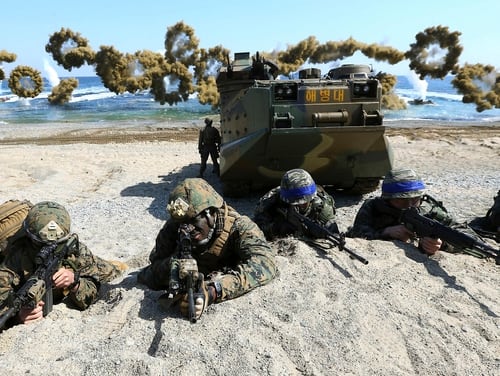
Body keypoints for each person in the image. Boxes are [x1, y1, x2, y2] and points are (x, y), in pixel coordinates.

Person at [137, 178, 277, 321]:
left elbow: (265, 264)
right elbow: (151, 269)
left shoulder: (240, 227)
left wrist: (213, 291)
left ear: (210, 214)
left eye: (193, 221)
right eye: (183, 224)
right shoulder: (175, 226)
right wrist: (172, 266)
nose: (188, 229)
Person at [0, 201, 126, 328]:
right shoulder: (15, 259)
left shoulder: (74, 252)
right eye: (41, 245)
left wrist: (74, 282)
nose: (50, 249)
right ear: (29, 238)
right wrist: (17, 317)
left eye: (58, 244)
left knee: (115, 270)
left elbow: (97, 288)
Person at [346, 168, 479, 256]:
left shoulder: (430, 211)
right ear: (387, 199)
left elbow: (470, 238)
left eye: (415, 200)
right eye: (402, 201)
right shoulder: (373, 206)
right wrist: (385, 233)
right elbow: (356, 233)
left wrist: (443, 244)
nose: (410, 206)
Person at [253, 168, 338, 240]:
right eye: (294, 203)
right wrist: (276, 228)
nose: (300, 206)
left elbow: (332, 231)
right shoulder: (271, 199)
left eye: (304, 203)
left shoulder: (323, 207)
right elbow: (256, 228)